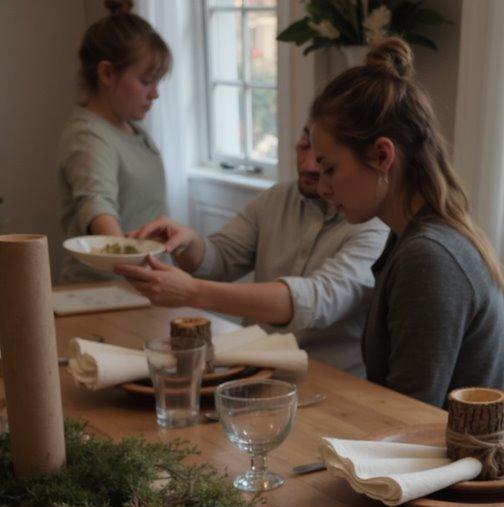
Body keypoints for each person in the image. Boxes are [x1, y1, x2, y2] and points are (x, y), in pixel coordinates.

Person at [309, 37, 504, 420]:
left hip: (472, 475)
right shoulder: (412, 238)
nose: (323, 187)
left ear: (382, 155)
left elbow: (407, 418)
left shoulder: (429, 256)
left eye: (330, 168)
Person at [116, 128, 387, 376]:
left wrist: (191, 292)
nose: (307, 165)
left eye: (323, 160)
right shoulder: (276, 198)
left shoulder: (375, 225)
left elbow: (316, 299)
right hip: (251, 372)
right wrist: (187, 242)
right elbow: (221, 259)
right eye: (304, 146)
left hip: (330, 383)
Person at [58, 0, 171, 283]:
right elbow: (97, 204)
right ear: (107, 73)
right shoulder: (89, 136)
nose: (155, 94)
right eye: (146, 82)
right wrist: (124, 256)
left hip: (138, 288)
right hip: (103, 294)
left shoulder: (135, 131)